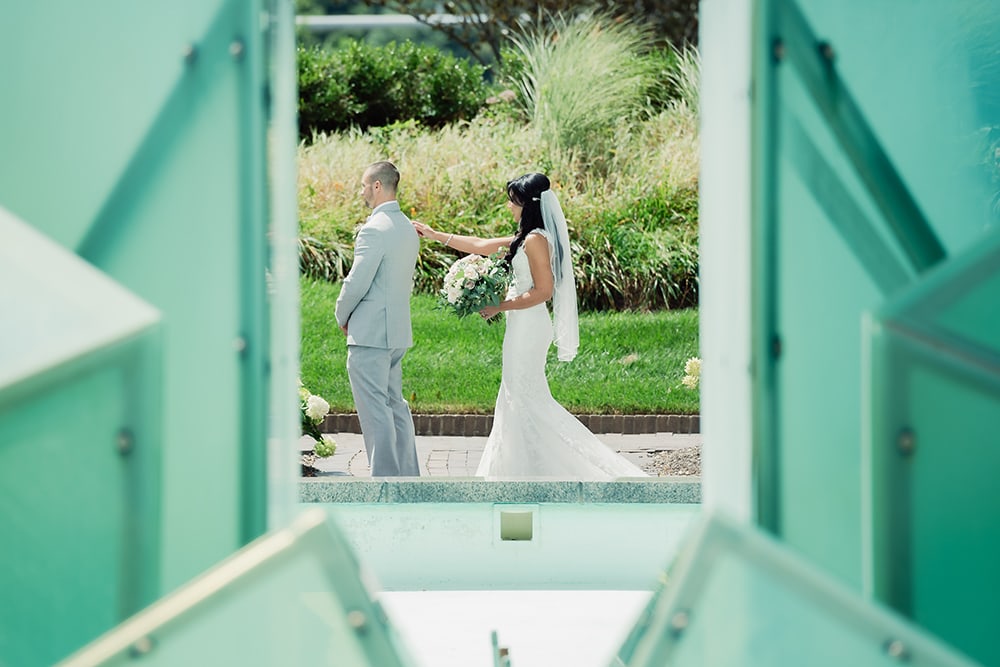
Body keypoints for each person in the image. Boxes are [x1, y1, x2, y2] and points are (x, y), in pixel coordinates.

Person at [412, 173, 647, 480]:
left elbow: (544, 291)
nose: (509, 205)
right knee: (516, 395)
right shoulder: (525, 237)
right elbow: (481, 245)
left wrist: (500, 305)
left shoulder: (536, 240)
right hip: (521, 325)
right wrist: (434, 234)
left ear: (527, 203)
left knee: (524, 397)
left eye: (513, 200)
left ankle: (546, 470)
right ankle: (520, 468)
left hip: (530, 326)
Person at [335, 161, 420, 476]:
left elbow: (357, 282)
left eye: (362, 185)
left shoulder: (374, 229)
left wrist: (341, 314)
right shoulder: (406, 228)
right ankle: (408, 477)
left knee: (375, 412)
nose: (360, 192)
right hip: (396, 332)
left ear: (377, 186)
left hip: (370, 333)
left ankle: (385, 481)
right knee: (395, 406)